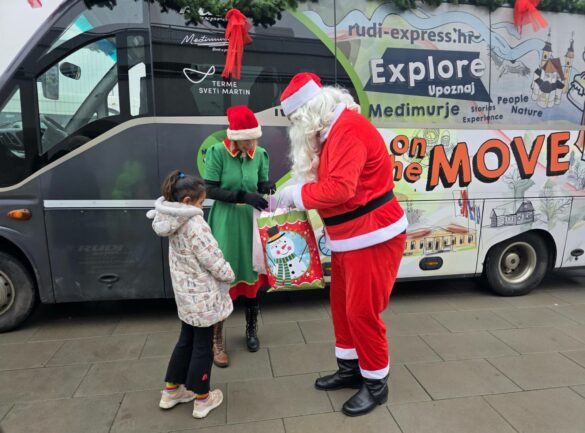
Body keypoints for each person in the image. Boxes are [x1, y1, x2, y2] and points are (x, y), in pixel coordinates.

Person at [278, 73, 408, 417]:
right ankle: (350, 369)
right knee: (342, 308)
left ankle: (376, 384)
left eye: (295, 120)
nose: (295, 128)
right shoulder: (331, 130)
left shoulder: (348, 129)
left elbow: (340, 189)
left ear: (307, 112)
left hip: (373, 235)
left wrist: (296, 194)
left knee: (362, 312)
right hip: (348, 237)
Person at [147, 170, 234, 419]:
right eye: (200, 202)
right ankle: (202, 399)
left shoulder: (169, 219)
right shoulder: (194, 224)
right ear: (187, 201)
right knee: (203, 346)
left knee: (185, 340)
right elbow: (212, 258)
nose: (202, 206)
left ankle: (172, 391)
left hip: (185, 296)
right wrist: (229, 273)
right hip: (203, 297)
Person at [203, 105, 275, 366]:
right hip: (225, 221)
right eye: (247, 140)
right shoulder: (217, 152)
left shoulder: (261, 154)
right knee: (223, 277)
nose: (252, 144)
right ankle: (216, 340)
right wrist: (243, 196)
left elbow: (260, 183)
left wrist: (266, 186)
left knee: (252, 272)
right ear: (235, 137)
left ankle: (251, 330)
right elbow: (209, 190)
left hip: (250, 223)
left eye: (254, 139)